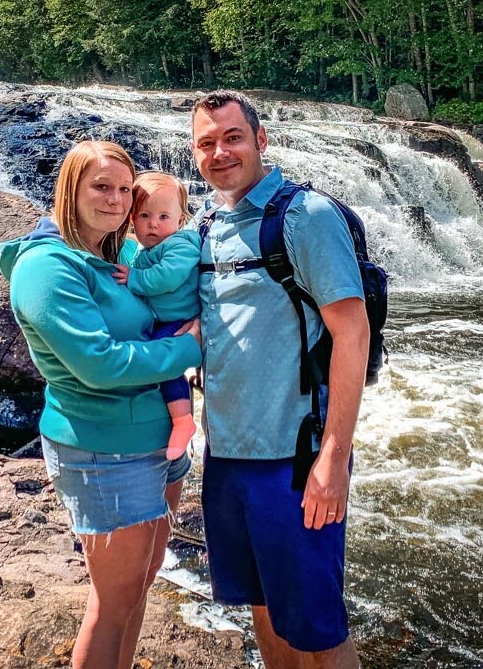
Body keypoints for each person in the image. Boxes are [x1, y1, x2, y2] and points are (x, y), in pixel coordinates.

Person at [0, 140, 202, 669]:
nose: (115, 200)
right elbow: (100, 364)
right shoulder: (47, 268)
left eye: (124, 190)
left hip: (159, 440)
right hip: (103, 451)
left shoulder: (121, 253)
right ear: (70, 189)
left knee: (139, 586)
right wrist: (191, 347)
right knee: (113, 603)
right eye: (100, 187)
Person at [191, 91, 370, 668]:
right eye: (207, 143)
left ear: (261, 140)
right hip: (226, 460)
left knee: (319, 630)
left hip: (295, 461)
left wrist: (334, 458)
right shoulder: (204, 225)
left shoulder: (306, 216)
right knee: (263, 609)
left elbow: (352, 332)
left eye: (233, 137)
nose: (220, 152)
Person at [112, 171, 200, 460]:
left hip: (177, 320)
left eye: (164, 217)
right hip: (160, 318)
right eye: (144, 215)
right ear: (131, 219)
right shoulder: (142, 249)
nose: (153, 224)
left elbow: (168, 278)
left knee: (163, 363)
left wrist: (135, 279)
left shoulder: (181, 245)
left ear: (181, 221)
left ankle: (182, 420)